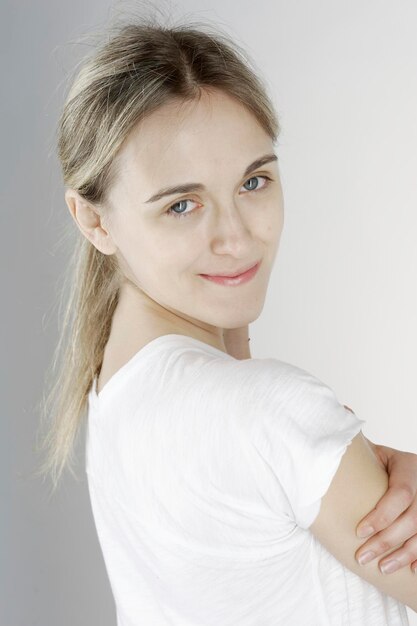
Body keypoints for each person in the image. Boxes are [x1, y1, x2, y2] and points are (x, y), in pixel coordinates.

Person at [36, 11, 417, 625]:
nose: (237, 238)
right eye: (182, 205)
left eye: (253, 181)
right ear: (94, 221)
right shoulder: (267, 411)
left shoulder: (119, 397)